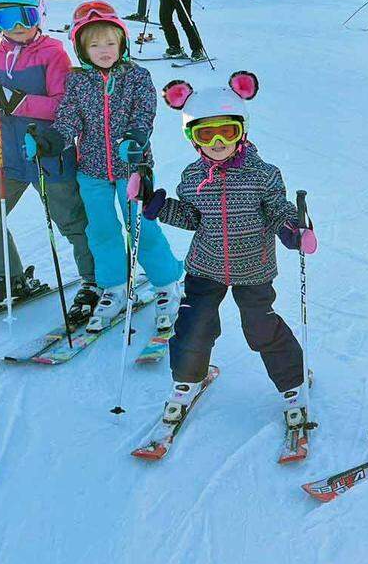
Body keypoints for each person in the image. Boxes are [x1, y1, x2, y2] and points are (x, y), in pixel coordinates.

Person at [133, 72, 317, 435]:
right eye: (206, 134)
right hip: (205, 266)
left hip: (254, 268)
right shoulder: (190, 177)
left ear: (242, 132)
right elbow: (192, 217)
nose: (218, 142)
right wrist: (159, 207)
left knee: (261, 327)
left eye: (227, 132)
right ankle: (188, 379)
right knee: (193, 324)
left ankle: (293, 383)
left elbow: (277, 209)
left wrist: (292, 230)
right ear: (192, 138)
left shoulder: (263, 174)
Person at [0, 0, 98, 322]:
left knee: (72, 222)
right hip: (6, 158)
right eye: (5, 18)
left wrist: (16, 102)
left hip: (49, 156)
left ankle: (95, 282)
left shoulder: (53, 54)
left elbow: (64, 106)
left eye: (25, 16)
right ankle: (6, 278)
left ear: (39, 15)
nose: (17, 27)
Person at [31, 0, 185, 333]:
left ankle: (167, 283)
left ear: (122, 44)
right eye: (95, 44)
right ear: (81, 48)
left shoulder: (138, 77)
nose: (104, 50)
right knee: (101, 230)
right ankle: (114, 287)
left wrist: (137, 136)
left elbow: (145, 113)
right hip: (92, 172)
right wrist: (53, 141)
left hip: (133, 168)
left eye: (110, 43)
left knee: (141, 227)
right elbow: (69, 117)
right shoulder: (77, 81)